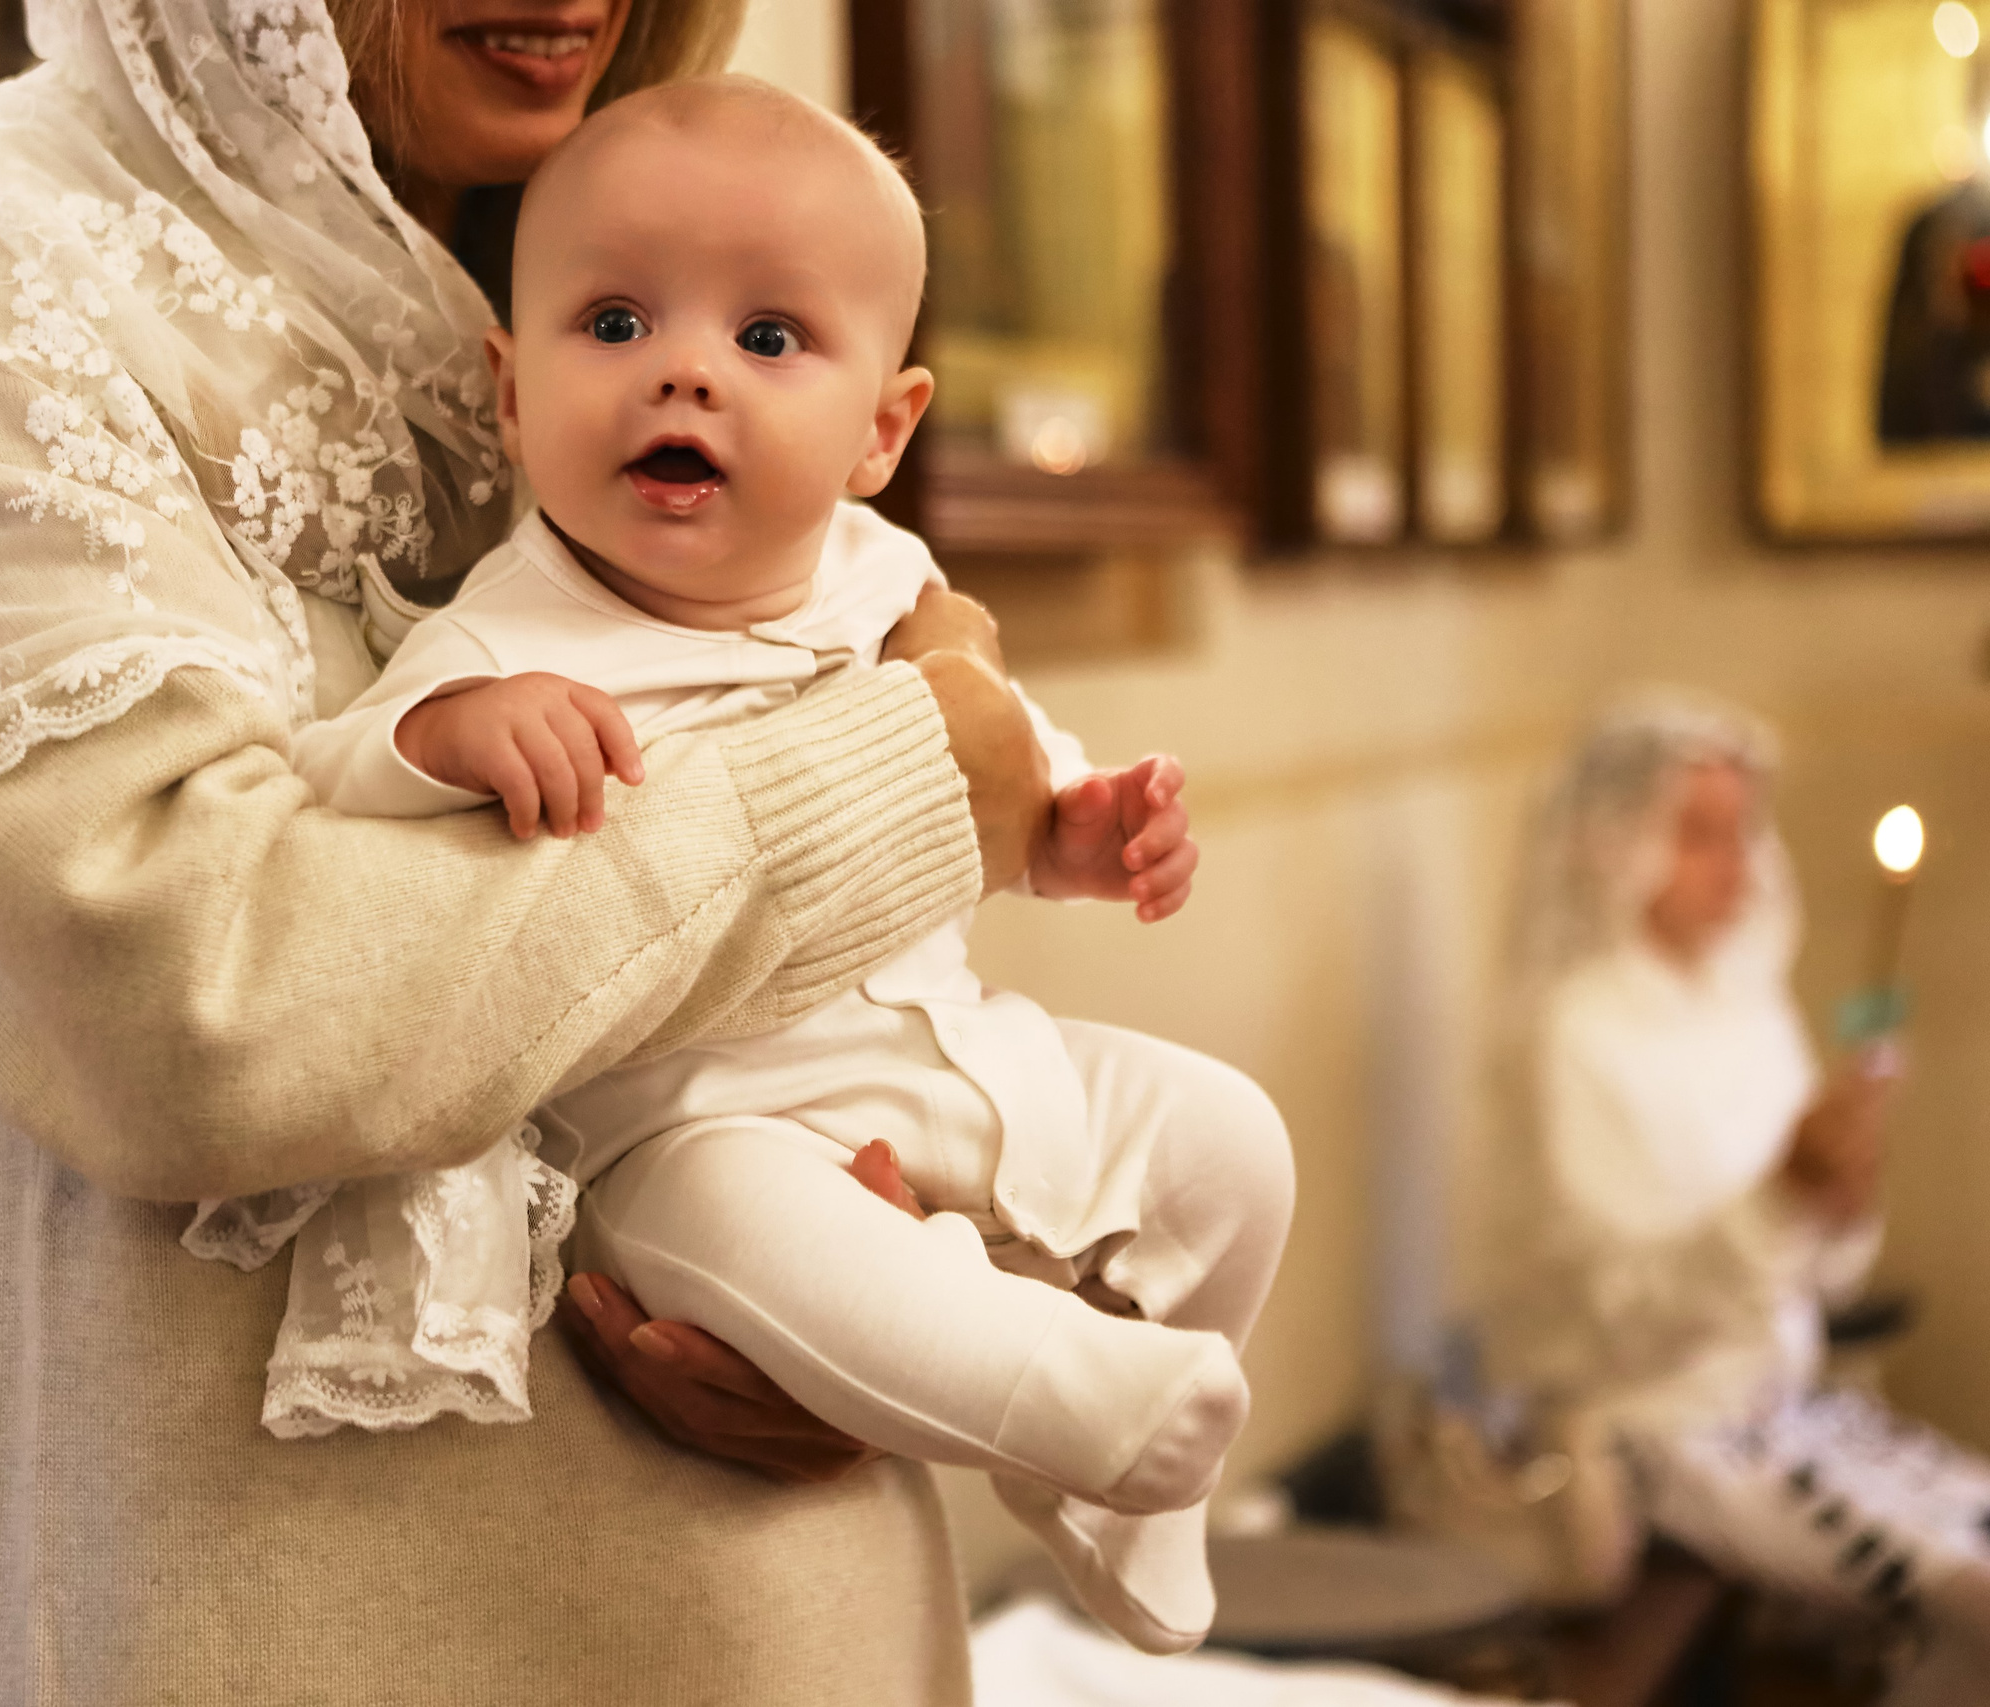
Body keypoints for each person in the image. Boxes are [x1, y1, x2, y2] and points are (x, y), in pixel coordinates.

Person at [0, 2, 1200, 1700]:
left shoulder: (643, 199)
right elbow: (193, 1015)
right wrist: (900, 767)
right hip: (306, 1632)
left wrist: (886, 1314)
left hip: (798, 1613)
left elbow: (830, 992)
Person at [193, 77, 1294, 1657]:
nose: (688, 373)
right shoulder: (512, 626)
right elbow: (321, 777)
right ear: (509, 391)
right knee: (794, 1254)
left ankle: (1137, 1494)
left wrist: (1078, 830)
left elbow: (997, 780)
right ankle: (1075, 1403)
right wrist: (452, 733)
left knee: (1233, 1143)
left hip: (951, 1056)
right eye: (618, 322)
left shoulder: (889, 580)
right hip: (699, 1126)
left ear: (883, 430)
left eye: (768, 340)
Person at [1490, 694, 1990, 1697]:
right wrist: (1782, 1196)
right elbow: (1619, 1308)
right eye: (1700, 835)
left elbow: (1814, 1265)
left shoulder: (1742, 1002)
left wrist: (1838, 1199)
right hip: (1663, 1436)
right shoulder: (1575, 1033)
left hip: (1788, 1401)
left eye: (1743, 831)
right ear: (1613, 840)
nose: (1737, 864)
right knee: (1968, 1593)